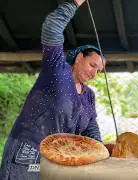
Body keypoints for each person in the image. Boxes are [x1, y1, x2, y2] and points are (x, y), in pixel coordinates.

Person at [0, 0, 105, 179]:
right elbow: (51, 28)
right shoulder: (57, 69)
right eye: (92, 65)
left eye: (99, 70)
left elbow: (90, 129)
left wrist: (102, 152)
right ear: (79, 58)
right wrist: (73, 3)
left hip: (58, 158)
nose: (94, 73)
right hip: (28, 153)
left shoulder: (88, 95)